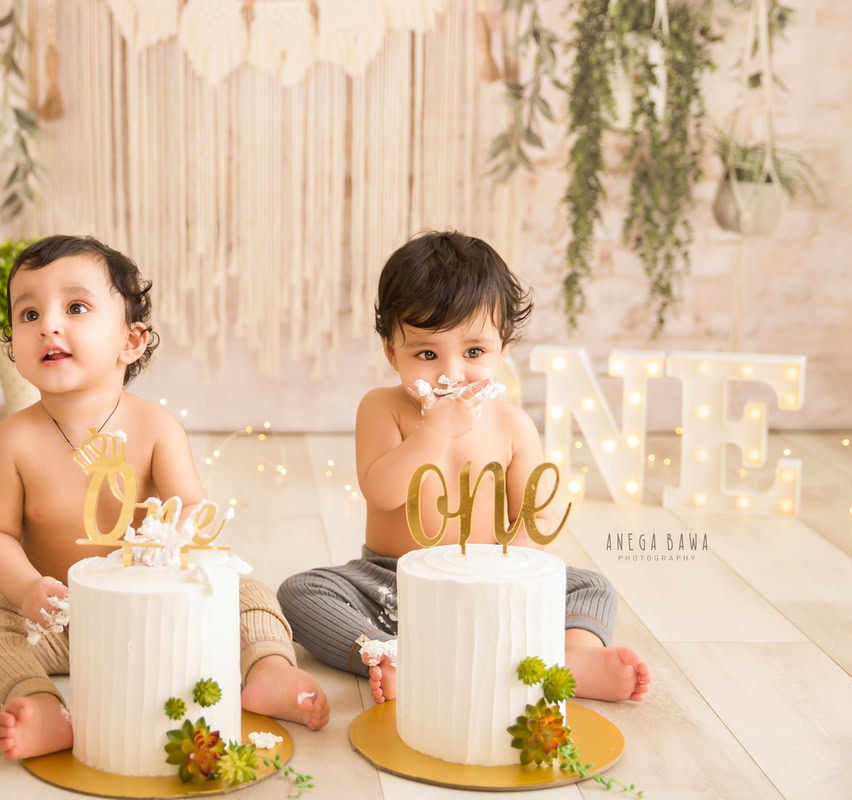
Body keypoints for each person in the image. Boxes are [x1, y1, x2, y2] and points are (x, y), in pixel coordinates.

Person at [0, 235, 329, 760]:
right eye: (29, 313)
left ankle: (268, 671)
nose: (49, 325)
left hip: (158, 603)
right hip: (60, 616)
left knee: (250, 595)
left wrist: (169, 546)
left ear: (130, 341)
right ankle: (39, 705)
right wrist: (25, 591)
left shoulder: (154, 427)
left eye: (76, 307)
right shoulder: (14, 438)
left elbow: (194, 509)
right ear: (14, 347)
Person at [277, 231, 651, 705]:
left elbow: (536, 520)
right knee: (301, 591)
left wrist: (499, 569)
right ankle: (392, 655)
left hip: (491, 582)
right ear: (392, 351)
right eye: (427, 354)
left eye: (473, 352)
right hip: (394, 585)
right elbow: (381, 492)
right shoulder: (383, 408)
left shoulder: (512, 423)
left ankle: (567, 658)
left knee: (590, 586)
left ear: (503, 350)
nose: (450, 371)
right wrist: (434, 432)